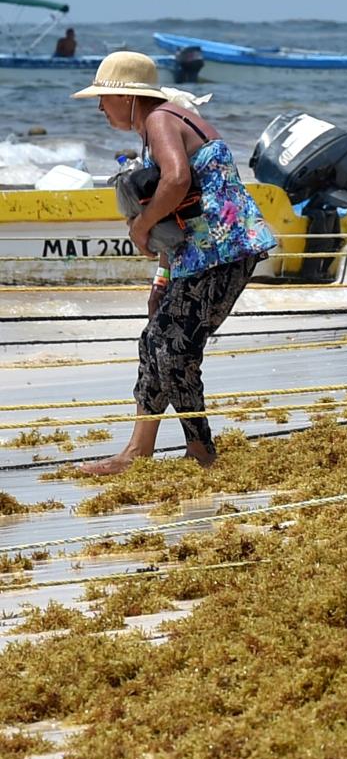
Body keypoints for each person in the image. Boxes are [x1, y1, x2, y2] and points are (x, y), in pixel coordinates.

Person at [71, 51, 277, 474]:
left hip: (224, 252)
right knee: (154, 343)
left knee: (174, 350)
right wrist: (161, 278)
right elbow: (182, 210)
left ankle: (202, 454)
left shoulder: (161, 119)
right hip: (199, 255)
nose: (98, 107)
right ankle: (138, 450)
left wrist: (140, 227)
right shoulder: (161, 122)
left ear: (128, 97)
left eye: (103, 98)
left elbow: (178, 179)